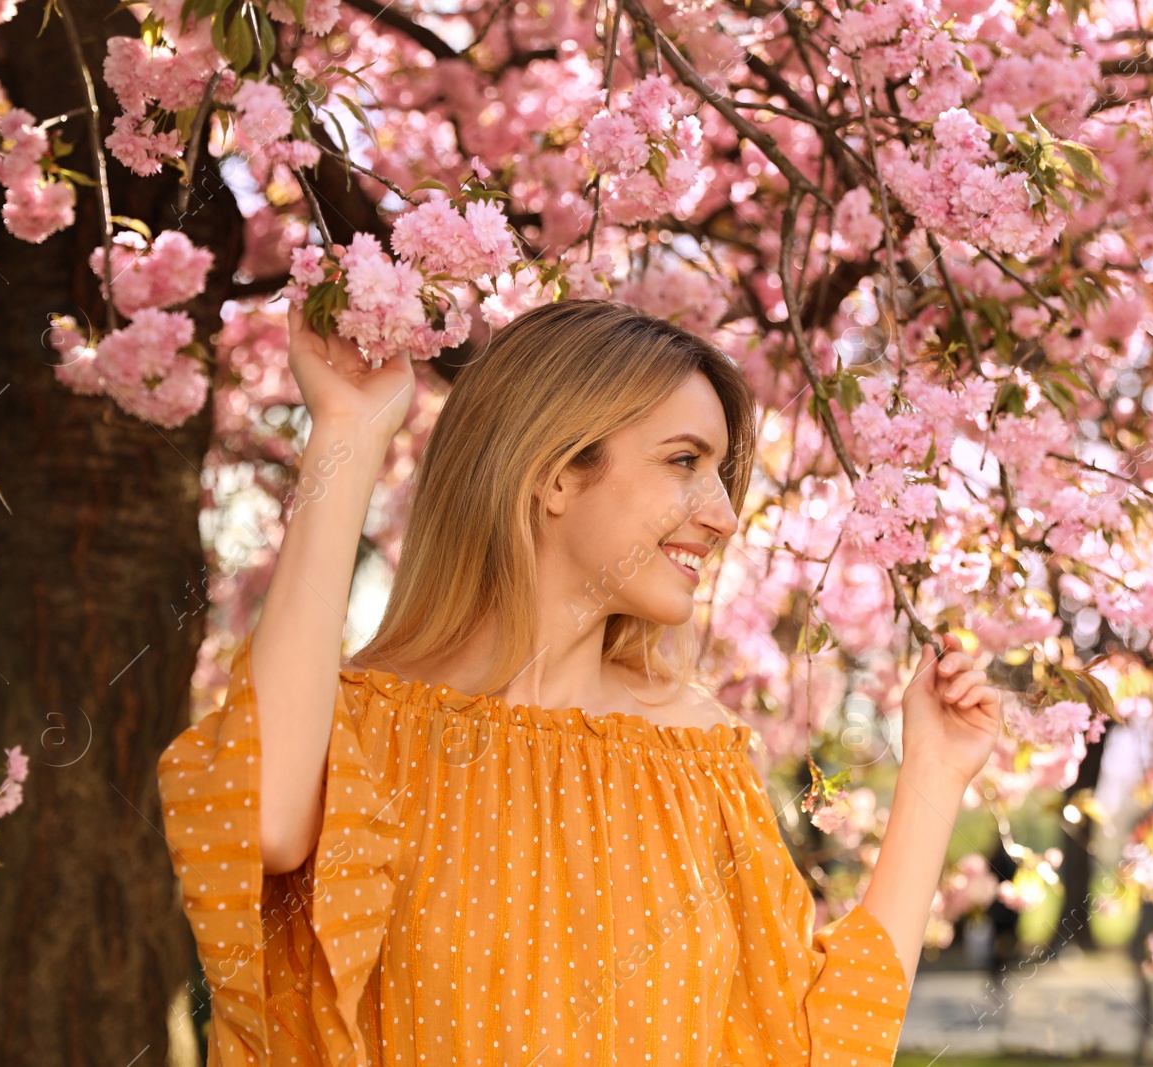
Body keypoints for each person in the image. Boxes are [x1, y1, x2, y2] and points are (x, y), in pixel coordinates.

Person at [157, 298, 1003, 1066]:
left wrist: (934, 771)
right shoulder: (365, 729)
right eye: (683, 461)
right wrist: (347, 430)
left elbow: (814, 1045)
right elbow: (263, 822)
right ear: (557, 472)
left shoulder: (692, 756)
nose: (721, 512)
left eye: (719, 472)